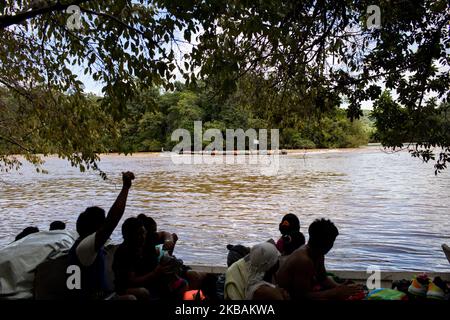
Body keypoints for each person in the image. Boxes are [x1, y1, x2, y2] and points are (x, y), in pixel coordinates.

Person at [68, 171, 135, 300]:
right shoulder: (85, 248)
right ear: (97, 227)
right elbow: (112, 221)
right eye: (102, 223)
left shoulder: (81, 247)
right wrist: (125, 188)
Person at [276, 218, 363, 300]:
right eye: (332, 242)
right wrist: (334, 292)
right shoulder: (303, 260)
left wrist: (340, 287)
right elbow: (300, 296)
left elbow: (322, 278)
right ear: (327, 243)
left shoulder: (318, 253)